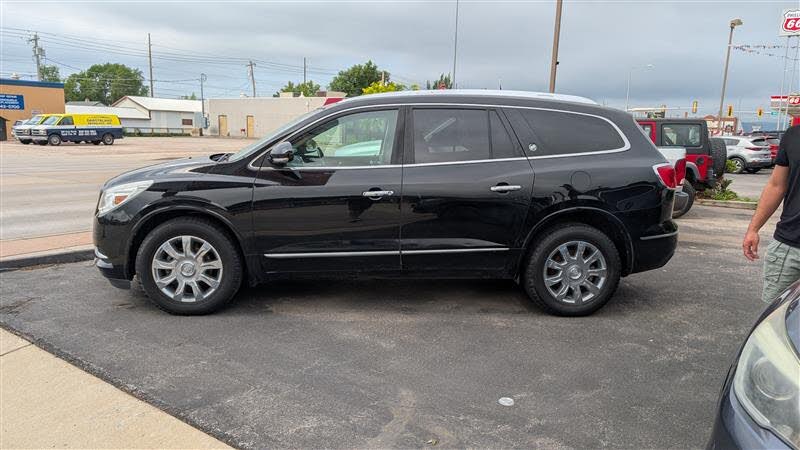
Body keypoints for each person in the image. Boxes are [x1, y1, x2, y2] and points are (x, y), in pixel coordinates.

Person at [742, 124, 800, 302]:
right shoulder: (793, 135)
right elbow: (776, 185)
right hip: (790, 247)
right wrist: (753, 229)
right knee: (775, 315)